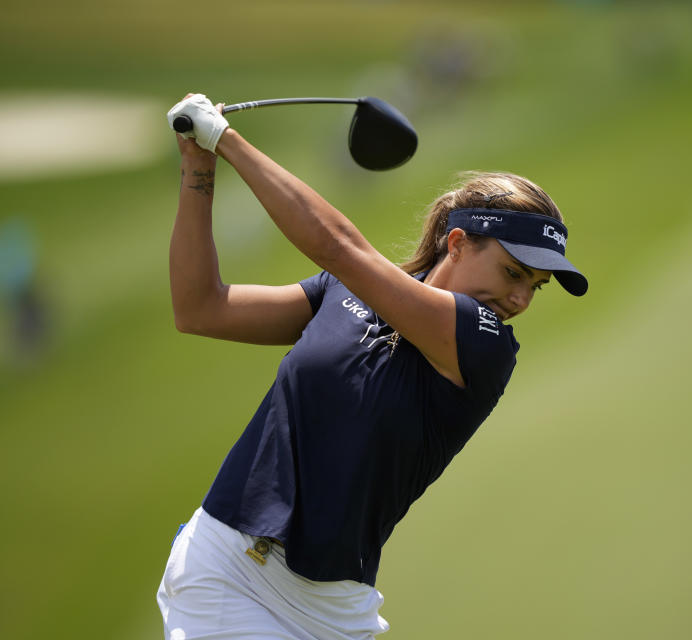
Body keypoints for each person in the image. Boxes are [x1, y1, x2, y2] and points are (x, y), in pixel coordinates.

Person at [158, 94, 588, 640]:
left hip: (336, 612)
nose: (521, 299)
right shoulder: (341, 292)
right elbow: (200, 308)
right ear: (457, 242)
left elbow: (338, 245)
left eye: (535, 285)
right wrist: (199, 166)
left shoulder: (486, 347)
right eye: (512, 272)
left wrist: (226, 139)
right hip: (230, 576)